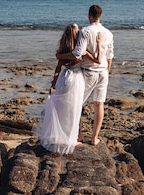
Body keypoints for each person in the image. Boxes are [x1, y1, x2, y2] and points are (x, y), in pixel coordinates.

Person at [34, 24, 102, 155]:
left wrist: (53, 84)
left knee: (61, 108)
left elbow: (58, 68)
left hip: (63, 79)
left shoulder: (62, 51)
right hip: (76, 80)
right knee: (73, 110)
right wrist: (98, 44)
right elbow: (97, 60)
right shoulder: (81, 51)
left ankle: (60, 136)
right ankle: (72, 138)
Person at [56, 5, 114, 146]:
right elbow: (110, 56)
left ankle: (79, 136)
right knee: (99, 104)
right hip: (103, 72)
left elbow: (77, 53)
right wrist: (107, 71)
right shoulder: (108, 33)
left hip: (89, 72)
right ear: (101, 16)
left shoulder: (85, 31)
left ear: (89, 15)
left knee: (76, 103)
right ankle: (94, 138)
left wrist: (60, 56)